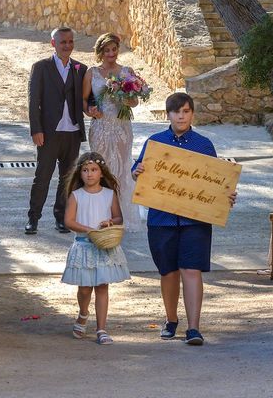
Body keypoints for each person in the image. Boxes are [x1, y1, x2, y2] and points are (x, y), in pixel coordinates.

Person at [131, 92, 236, 346]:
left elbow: (216, 181)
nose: (181, 115)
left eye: (186, 111)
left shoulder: (204, 145)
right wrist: (137, 171)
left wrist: (226, 196)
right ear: (168, 114)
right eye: (177, 111)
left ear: (192, 114)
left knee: (191, 270)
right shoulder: (155, 143)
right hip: (161, 219)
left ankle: (194, 328)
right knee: (167, 272)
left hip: (195, 222)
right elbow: (137, 172)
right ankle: (171, 320)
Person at [61, 151, 130, 345]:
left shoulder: (109, 194)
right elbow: (69, 221)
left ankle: (101, 329)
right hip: (84, 247)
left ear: (101, 172)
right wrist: (88, 230)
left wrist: (110, 222)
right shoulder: (76, 196)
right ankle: (83, 313)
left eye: (93, 170)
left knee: (102, 286)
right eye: (85, 170)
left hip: (104, 247)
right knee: (84, 289)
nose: (89, 174)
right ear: (80, 173)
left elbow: (118, 217)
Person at [25, 27, 87, 235]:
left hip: (73, 132)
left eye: (70, 41)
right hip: (49, 133)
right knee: (42, 177)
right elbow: (34, 102)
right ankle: (33, 218)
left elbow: (88, 99)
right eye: (63, 42)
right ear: (54, 43)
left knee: (67, 178)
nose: (67, 46)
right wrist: (36, 129)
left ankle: (61, 218)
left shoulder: (81, 68)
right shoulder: (41, 67)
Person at [83, 32, 143, 232]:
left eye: (114, 49)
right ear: (100, 52)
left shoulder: (127, 71)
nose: (111, 54)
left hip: (121, 127)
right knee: (101, 168)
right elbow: (84, 101)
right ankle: (100, 214)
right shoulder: (92, 73)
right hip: (100, 127)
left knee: (123, 167)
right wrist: (90, 111)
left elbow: (134, 100)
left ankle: (121, 215)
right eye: (107, 50)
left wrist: (128, 100)